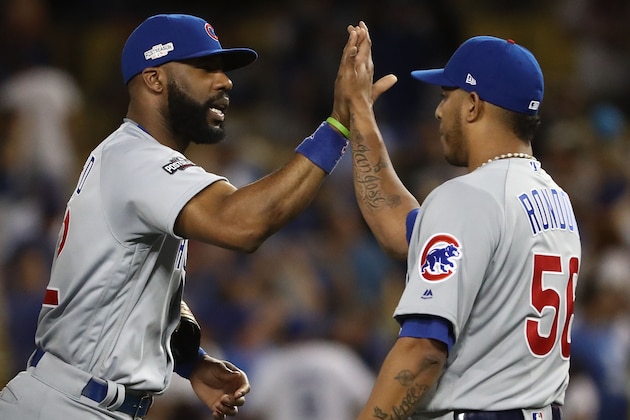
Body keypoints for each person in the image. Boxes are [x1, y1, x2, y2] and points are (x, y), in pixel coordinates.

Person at [0, 13, 365, 420]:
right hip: (68, 407)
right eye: (204, 67)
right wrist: (337, 126)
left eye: (223, 70)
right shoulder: (136, 159)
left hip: (74, 400)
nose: (224, 81)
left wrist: (189, 359)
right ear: (154, 79)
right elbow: (243, 224)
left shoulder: (129, 158)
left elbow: (129, 284)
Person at [338, 23, 582, 419]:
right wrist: (361, 115)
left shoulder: (469, 197)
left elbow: (422, 351)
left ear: (472, 104)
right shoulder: (555, 198)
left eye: (445, 95)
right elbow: (402, 232)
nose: (437, 110)